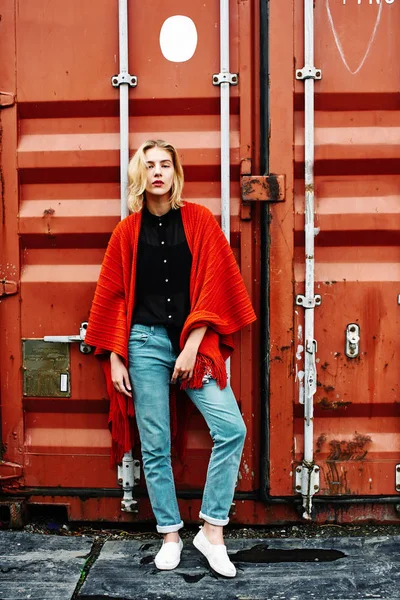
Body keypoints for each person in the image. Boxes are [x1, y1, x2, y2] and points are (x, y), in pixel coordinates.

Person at [85, 139, 256, 578]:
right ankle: (170, 534)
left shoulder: (199, 220)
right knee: (155, 445)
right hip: (142, 344)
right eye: (149, 165)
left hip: (192, 343)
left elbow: (215, 288)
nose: (157, 171)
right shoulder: (126, 232)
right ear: (138, 175)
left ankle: (212, 530)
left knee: (231, 428)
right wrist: (116, 357)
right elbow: (114, 297)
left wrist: (194, 345)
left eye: (165, 164)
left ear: (175, 171)